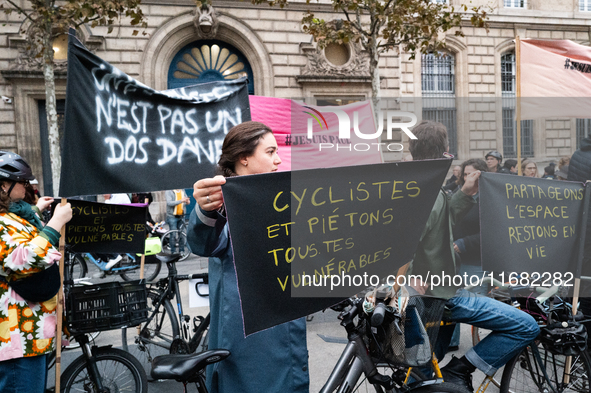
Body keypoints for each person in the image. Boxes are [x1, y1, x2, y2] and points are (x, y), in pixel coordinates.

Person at [407, 122, 539, 392]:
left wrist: (464, 193)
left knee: (421, 372)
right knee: (526, 325)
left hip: (435, 296)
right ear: (445, 152)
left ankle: (446, 375)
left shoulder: (423, 182)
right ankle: (461, 370)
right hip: (441, 295)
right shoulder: (426, 189)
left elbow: (439, 223)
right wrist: (410, 277)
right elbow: (405, 240)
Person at [187, 121, 309, 393]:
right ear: (244, 157)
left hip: (286, 338)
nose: (278, 160)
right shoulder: (224, 205)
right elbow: (203, 242)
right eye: (270, 152)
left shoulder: (281, 200)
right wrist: (205, 211)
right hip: (251, 352)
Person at [0, 151, 72, 393]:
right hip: (16, 336)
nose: (27, 185)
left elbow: (21, 233)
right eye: (21, 181)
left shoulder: (12, 214)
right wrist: (55, 224)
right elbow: (23, 259)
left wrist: (37, 211)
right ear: (3, 185)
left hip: (30, 335)